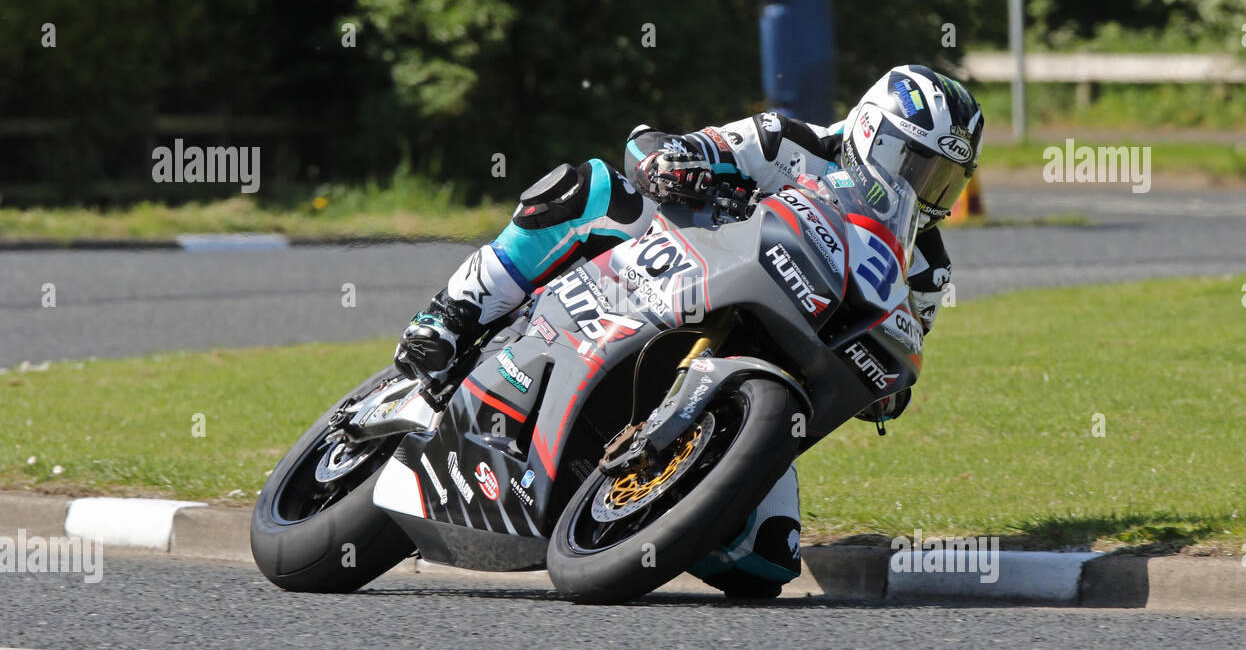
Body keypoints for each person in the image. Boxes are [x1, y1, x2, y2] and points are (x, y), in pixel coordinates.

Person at [393, 64, 984, 597]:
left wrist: (888, 390)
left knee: (764, 562)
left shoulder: (927, 267)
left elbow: (902, 347)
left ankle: (654, 507)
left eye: (943, 179)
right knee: (597, 191)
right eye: (914, 163)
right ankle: (449, 315)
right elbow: (681, 147)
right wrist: (675, 162)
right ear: (869, 132)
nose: (924, 188)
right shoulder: (790, 142)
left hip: (761, 373)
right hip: (662, 274)